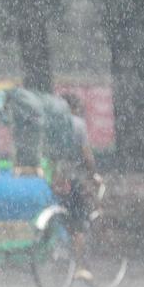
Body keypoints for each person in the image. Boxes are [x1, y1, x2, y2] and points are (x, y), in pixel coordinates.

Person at [55, 93, 101, 272]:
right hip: (73, 179)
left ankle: (60, 251)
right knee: (79, 223)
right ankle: (79, 266)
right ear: (74, 108)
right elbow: (87, 155)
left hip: (55, 179)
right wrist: (94, 174)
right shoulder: (77, 124)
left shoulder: (53, 124)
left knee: (61, 216)